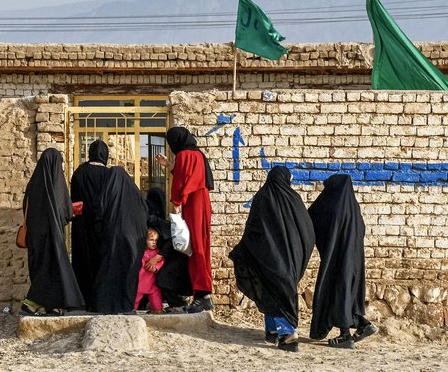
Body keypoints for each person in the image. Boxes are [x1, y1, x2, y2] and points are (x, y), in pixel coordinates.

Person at [229, 166, 315, 352]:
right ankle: (273, 330)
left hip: (266, 258)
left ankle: (287, 333)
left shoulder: (262, 197)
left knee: (270, 289)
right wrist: (299, 254)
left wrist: (244, 249)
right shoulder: (294, 199)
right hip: (289, 261)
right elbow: (307, 230)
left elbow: (253, 229)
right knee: (277, 291)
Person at [308, 174, 378, 349]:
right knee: (349, 294)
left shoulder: (333, 206)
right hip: (355, 261)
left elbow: (313, 218)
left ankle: (345, 335)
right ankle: (363, 324)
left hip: (338, 260)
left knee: (339, 293)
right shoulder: (354, 208)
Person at [155, 127, 214, 314]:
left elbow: (181, 182)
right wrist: (170, 166)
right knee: (201, 247)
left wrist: (176, 202)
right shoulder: (197, 154)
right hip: (201, 202)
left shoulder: (184, 155)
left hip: (193, 205)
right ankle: (200, 294)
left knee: (195, 249)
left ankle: (203, 295)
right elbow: (189, 176)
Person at [21, 148, 84, 315]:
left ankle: (52, 305)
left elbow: (26, 207)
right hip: (52, 235)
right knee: (52, 268)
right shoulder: (56, 184)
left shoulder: (34, 184)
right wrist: (73, 210)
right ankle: (31, 302)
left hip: (35, 235)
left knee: (42, 267)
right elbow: (64, 211)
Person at [92, 166, 148, 314]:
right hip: (135, 241)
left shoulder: (108, 192)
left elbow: (100, 213)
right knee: (130, 273)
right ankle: (127, 306)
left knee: (110, 270)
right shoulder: (136, 195)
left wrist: (99, 233)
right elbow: (145, 215)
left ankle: (106, 306)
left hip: (113, 239)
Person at [70, 139, 109, 311]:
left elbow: (74, 200)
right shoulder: (108, 175)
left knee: (83, 260)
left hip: (82, 224)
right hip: (102, 226)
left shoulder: (79, 172)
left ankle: (82, 299)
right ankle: (100, 299)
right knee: (101, 261)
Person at [144, 187, 192, 313]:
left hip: (176, 257)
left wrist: (157, 257)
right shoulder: (159, 221)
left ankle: (178, 305)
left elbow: (169, 241)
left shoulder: (155, 221)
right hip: (176, 257)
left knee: (163, 279)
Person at [135, 229, 165, 313]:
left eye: (156, 240)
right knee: (134, 301)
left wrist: (156, 268)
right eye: (151, 240)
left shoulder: (158, 252)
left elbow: (161, 261)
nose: (154, 242)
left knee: (157, 302)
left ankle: (158, 311)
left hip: (152, 283)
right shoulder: (141, 251)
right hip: (140, 282)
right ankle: (131, 311)